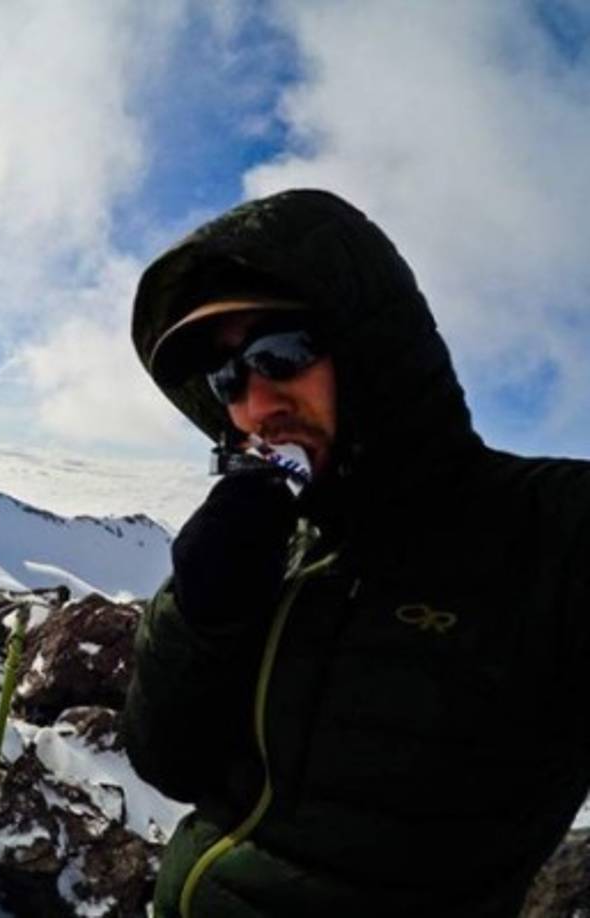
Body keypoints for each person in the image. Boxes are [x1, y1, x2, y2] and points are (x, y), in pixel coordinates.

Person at [121, 188, 590, 917]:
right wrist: (198, 614)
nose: (255, 406)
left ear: (372, 351)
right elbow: (167, 761)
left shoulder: (548, 527)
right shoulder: (272, 544)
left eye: (280, 354)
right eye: (227, 378)